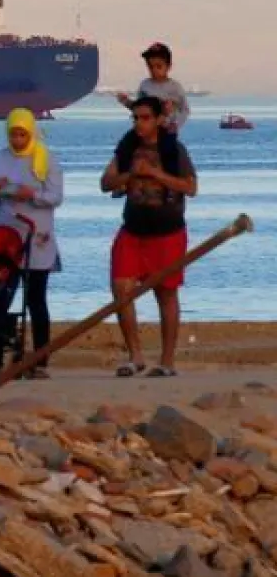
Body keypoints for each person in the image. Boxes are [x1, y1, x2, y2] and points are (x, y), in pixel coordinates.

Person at [101, 95, 198, 378]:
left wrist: (155, 173)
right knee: (121, 288)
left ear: (157, 119)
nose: (139, 124)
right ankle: (135, 356)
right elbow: (105, 183)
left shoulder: (173, 149)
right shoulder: (127, 147)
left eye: (145, 118)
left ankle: (167, 361)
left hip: (167, 232)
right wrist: (130, 174)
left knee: (165, 293)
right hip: (133, 229)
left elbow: (190, 187)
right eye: (135, 118)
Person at [0, 107, 63, 379]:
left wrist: (32, 194)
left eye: (22, 135)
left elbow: (56, 196)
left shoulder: (46, 159)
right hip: (5, 236)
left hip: (36, 237)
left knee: (36, 299)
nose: (17, 140)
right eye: (13, 135)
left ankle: (40, 358)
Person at [117, 42, 190, 133]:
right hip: (145, 130)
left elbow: (185, 110)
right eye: (151, 67)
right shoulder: (145, 85)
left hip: (166, 130)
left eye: (158, 66)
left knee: (168, 145)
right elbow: (139, 108)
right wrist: (126, 101)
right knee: (127, 142)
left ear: (169, 66)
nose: (154, 70)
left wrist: (175, 124)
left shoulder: (175, 87)